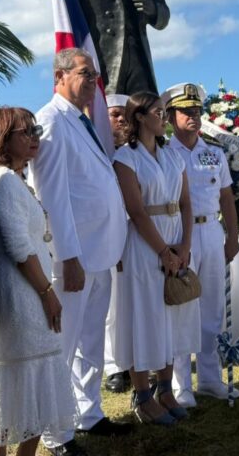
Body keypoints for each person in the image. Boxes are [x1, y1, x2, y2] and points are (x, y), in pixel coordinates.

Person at [28, 48, 130, 456]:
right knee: (64, 344)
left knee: (91, 341)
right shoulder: (50, 121)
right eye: (87, 74)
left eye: (96, 76)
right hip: (75, 256)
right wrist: (67, 257)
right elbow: (52, 196)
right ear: (60, 75)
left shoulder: (84, 122)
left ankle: (89, 412)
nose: (94, 82)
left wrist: (115, 240)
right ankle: (56, 431)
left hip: (100, 251)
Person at [0, 108, 77, 456]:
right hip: (22, 293)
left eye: (36, 130)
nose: (34, 138)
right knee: (19, 380)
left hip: (31, 287)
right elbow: (18, 246)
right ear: (2, 138)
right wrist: (47, 293)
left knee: (34, 379)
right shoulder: (0, 180)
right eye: (25, 132)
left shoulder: (13, 179)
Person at [112, 91, 192, 425]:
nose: (164, 117)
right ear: (141, 117)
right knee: (145, 314)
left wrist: (184, 246)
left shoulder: (174, 156)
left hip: (175, 236)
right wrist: (163, 251)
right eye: (158, 112)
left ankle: (166, 388)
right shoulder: (125, 158)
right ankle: (142, 395)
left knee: (172, 314)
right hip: (145, 245)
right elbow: (136, 210)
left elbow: (187, 202)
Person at [163, 83, 239, 407]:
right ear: (170, 116)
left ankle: (209, 378)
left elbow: (226, 196)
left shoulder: (214, 152)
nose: (193, 117)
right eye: (186, 111)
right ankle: (181, 385)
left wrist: (233, 236)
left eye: (197, 111)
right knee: (182, 307)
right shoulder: (164, 153)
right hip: (180, 235)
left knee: (212, 309)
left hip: (211, 232)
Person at [103, 93, 131, 394]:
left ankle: (137, 358)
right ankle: (114, 366)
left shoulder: (137, 151)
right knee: (111, 306)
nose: (122, 119)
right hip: (108, 234)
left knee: (133, 301)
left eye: (125, 114)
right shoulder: (99, 152)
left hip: (138, 233)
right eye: (115, 114)